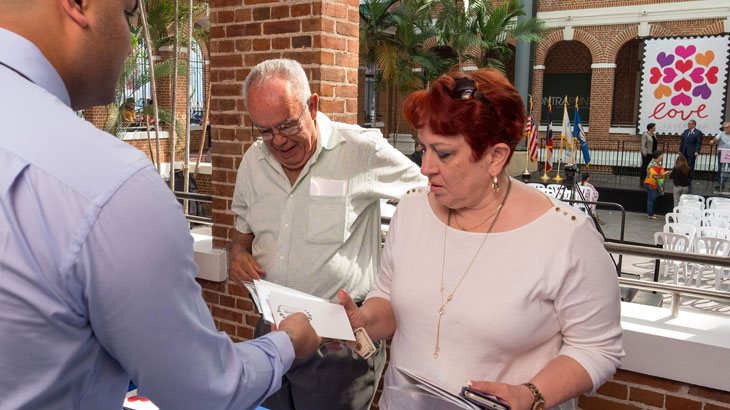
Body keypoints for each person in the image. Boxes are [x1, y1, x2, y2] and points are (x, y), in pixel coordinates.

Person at [0, 2, 320, 410]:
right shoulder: (109, 186)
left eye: (287, 125)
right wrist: (289, 342)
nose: (132, 36)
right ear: (79, 5)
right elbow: (203, 390)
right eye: (130, 12)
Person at [338, 69, 623, 410]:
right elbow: (388, 297)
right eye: (422, 148)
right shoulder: (411, 210)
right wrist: (365, 320)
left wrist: (531, 394)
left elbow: (597, 348)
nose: (425, 166)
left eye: (442, 153)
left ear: (495, 157)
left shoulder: (566, 237)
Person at [228, 59, 426, 410]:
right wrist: (238, 255)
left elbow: (432, 192)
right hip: (272, 334)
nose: (277, 141)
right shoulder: (252, 162)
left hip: (338, 343)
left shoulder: (361, 151)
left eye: (287, 125)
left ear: (313, 106)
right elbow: (242, 233)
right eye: (264, 130)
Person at [644, 150, 670, 219]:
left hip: (652, 183)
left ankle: (651, 213)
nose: (662, 157)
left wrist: (665, 174)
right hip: (651, 184)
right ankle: (650, 214)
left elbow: (659, 174)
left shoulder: (656, 164)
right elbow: (655, 176)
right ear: (658, 156)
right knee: (651, 199)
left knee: (651, 199)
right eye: (662, 155)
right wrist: (665, 173)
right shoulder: (653, 165)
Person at [710, 122, 730, 188]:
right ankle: (720, 183)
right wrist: (713, 141)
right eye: (724, 128)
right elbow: (716, 138)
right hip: (722, 152)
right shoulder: (721, 133)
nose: (725, 129)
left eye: (727, 127)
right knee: (720, 168)